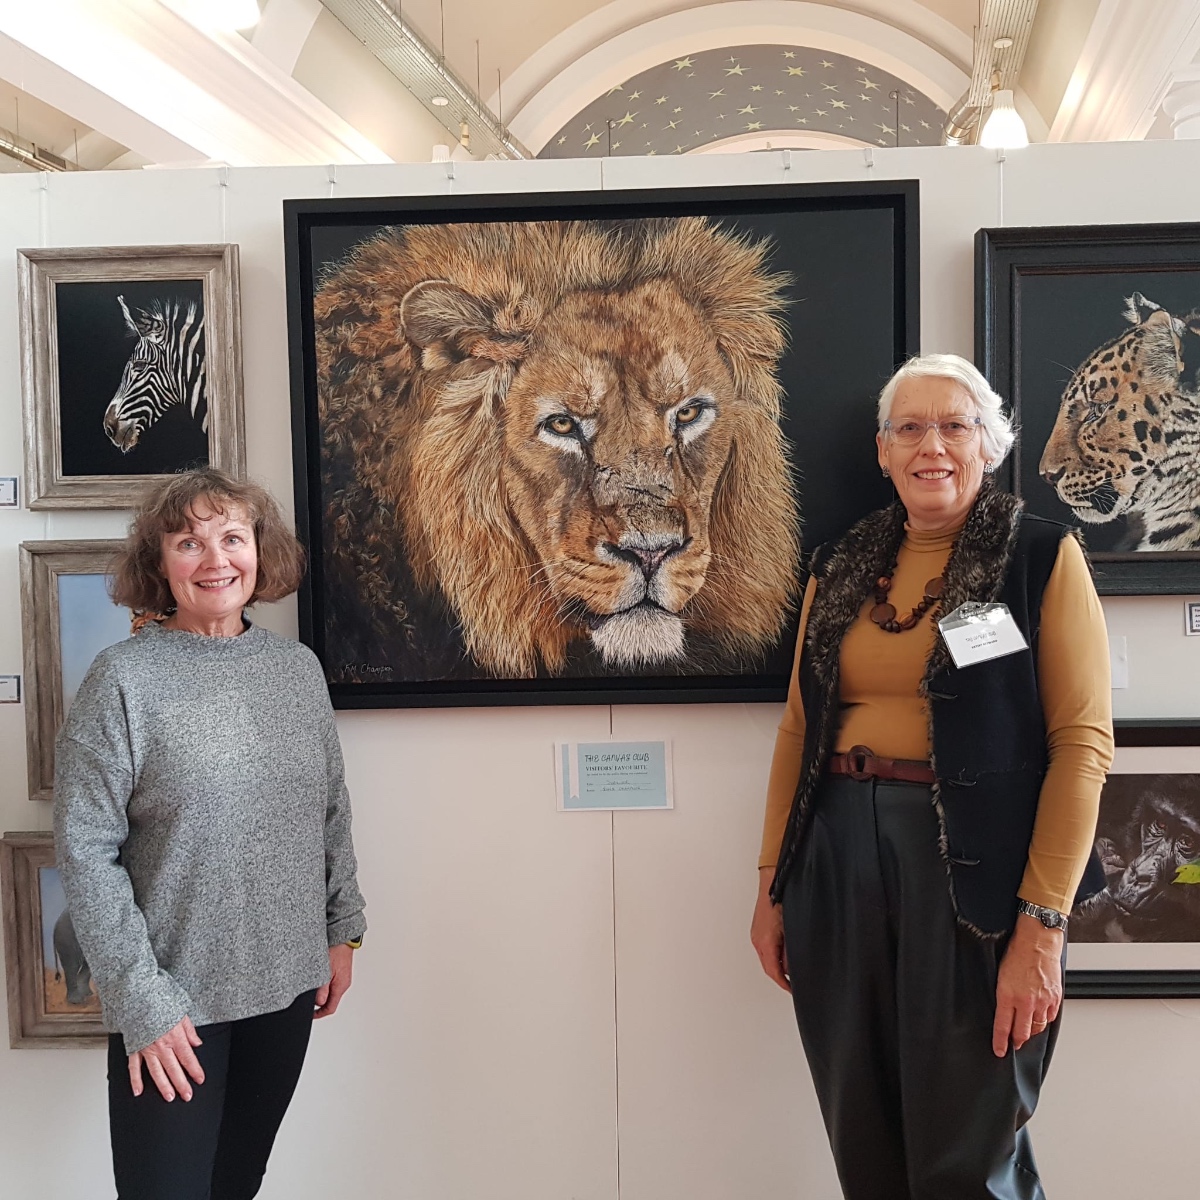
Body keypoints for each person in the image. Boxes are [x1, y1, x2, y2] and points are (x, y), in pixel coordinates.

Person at [750, 354, 1113, 1200]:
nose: (932, 446)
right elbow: (799, 729)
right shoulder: (839, 565)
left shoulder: (1040, 557)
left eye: (955, 425)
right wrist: (773, 884)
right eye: (909, 428)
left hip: (974, 875)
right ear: (883, 451)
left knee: (969, 1151)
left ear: (991, 442)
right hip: (836, 859)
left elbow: (1082, 746)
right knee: (864, 1133)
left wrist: (1042, 927)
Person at [54, 466, 366, 1200]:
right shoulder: (122, 679)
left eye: (232, 537)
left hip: (287, 987)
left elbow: (330, 809)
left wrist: (342, 930)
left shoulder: (296, 671)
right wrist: (142, 1000)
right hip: (174, 1003)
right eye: (189, 543)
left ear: (260, 551)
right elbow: (86, 849)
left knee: (235, 1185)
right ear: (160, 563)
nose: (216, 559)